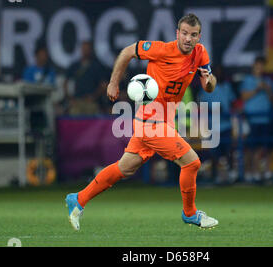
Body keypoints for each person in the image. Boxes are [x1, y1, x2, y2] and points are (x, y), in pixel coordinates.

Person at [65, 14, 219, 230]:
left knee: (125, 168)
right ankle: (190, 213)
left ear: (198, 37)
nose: (188, 38)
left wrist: (210, 80)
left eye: (193, 35)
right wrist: (113, 83)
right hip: (151, 121)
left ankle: (78, 199)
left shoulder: (200, 53)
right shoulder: (161, 49)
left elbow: (208, 86)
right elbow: (127, 51)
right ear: (177, 33)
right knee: (191, 162)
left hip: (163, 121)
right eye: (184, 33)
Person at [198, 65, 236, 184]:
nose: (218, 75)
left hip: (226, 125)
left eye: (220, 72)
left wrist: (228, 110)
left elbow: (233, 102)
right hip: (212, 126)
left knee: (228, 152)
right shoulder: (206, 88)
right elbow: (201, 106)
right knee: (214, 154)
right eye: (215, 73)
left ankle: (231, 175)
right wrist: (213, 109)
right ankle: (215, 176)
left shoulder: (227, 87)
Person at [239, 56, 273, 182]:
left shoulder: (267, 81)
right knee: (250, 148)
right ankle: (249, 171)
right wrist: (257, 89)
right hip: (251, 119)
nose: (259, 68)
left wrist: (267, 89)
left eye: (261, 66)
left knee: (261, 148)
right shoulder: (248, 80)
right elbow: (244, 96)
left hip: (265, 118)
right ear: (254, 66)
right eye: (257, 65)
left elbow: (272, 99)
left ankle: (258, 171)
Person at [63, 41, 109, 115]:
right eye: (84, 49)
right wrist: (69, 98)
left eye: (87, 49)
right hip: (77, 101)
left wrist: (94, 97)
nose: (85, 51)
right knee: (74, 116)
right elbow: (65, 82)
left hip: (91, 102)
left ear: (91, 50)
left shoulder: (97, 66)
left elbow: (104, 85)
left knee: (91, 119)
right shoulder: (75, 65)